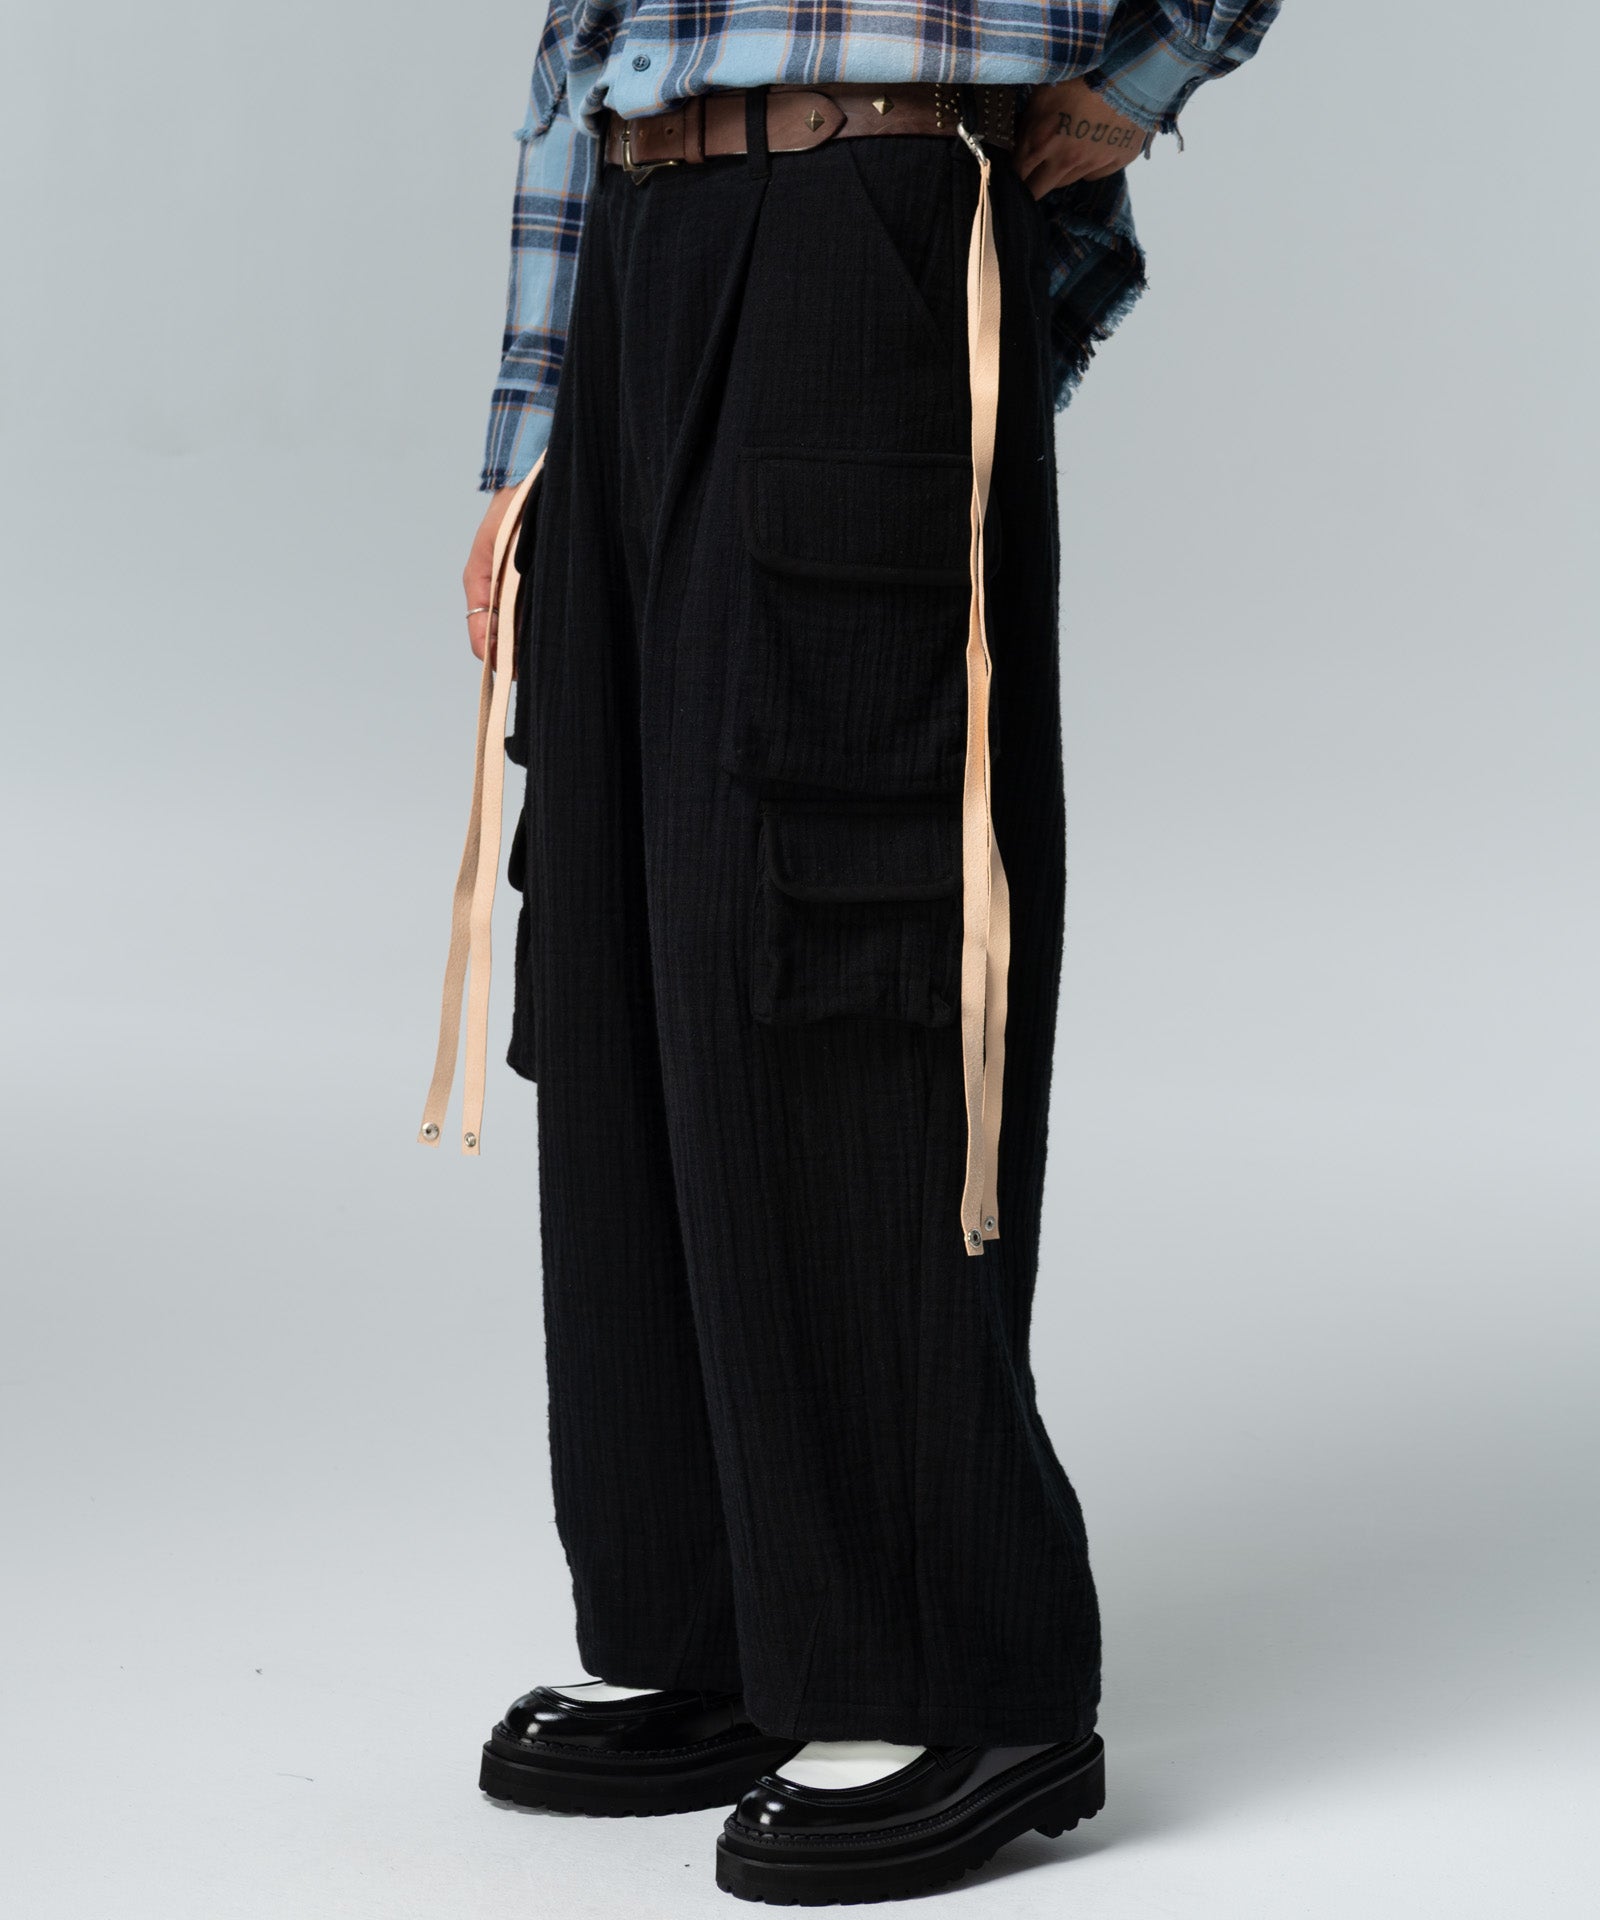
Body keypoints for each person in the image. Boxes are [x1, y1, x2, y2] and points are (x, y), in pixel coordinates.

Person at [427, 1, 1281, 1904]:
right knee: (631, 940)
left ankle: (957, 1668)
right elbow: (578, 36)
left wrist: (1138, 84)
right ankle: (734, 1625)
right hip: (641, 243)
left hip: (865, 207)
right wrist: (533, 417)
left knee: (829, 927)